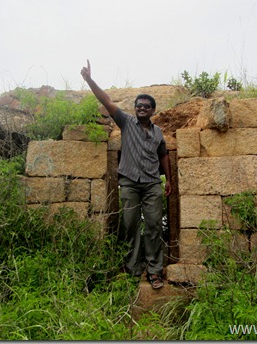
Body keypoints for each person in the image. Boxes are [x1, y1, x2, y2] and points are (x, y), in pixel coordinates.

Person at [81, 60, 171, 289]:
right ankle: (132, 270)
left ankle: (153, 271)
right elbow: (106, 100)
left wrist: (168, 179)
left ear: (152, 110)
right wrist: (90, 80)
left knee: (153, 226)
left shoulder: (159, 132)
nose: (142, 108)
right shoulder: (126, 123)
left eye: (146, 106)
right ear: (135, 108)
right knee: (130, 225)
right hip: (129, 182)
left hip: (152, 183)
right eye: (139, 105)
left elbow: (163, 156)